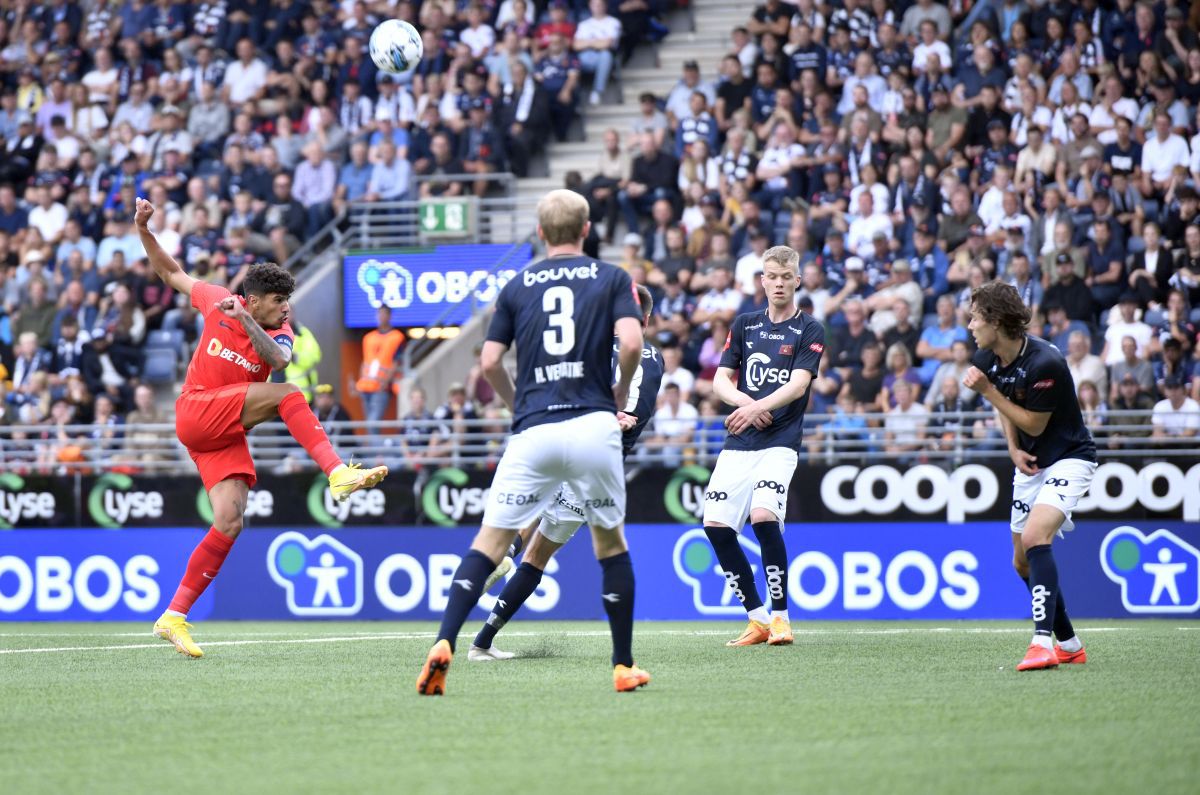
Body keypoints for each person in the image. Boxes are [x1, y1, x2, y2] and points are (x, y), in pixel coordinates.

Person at [416, 190, 646, 696]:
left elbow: (491, 362)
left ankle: (445, 643)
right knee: (611, 545)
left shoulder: (517, 284)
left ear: (540, 233)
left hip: (535, 426)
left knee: (490, 543)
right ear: (587, 230)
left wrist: (516, 405)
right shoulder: (612, 278)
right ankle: (623, 665)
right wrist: (621, 392)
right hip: (591, 423)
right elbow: (631, 343)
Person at [135, 198, 387, 659]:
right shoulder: (214, 299)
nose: (286, 308)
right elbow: (170, 273)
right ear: (253, 298)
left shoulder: (279, 331)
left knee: (230, 520)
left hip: (223, 431)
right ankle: (335, 471)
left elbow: (279, 359)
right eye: (278, 300)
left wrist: (249, 320)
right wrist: (144, 230)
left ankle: (173, 615)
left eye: (287, 300)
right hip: (195, 411)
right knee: (289, 395)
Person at [468, 285, 661, 661]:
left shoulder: (584, 341)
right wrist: (618, 419)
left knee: (527, 518)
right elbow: (635, 411)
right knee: (539, 557)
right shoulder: (648, 355)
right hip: (595, 460)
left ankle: (501, 554)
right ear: (647, 319)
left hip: (551, 440)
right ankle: (482, 642)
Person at [963, 282, 1097, 671]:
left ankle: (1042, 643)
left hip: (1070, 457)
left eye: (975, 317)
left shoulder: (1046, 362)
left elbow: (1034, 425)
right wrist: (1010, 447)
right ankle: (1069, 643)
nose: (970, 325)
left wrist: (988, 392)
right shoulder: (988, 356)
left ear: (996, 321)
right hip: (1032, 462)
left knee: (1038, 537)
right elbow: (1010, 409)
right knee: (1021, 562)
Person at [701, 245, 825, 647]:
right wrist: (747, 405)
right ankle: (757, 619)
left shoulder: (810, 329)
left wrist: (758, 408)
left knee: (762, 516)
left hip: (780, 442)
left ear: (797, 281)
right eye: (771, 276)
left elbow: (799, 384)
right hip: (740, 440)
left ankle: (781, 616)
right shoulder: (745, 324)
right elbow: (721, 380)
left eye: (786, 277)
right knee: (715, 526)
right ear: (762, 280)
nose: (778, 283)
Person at [356, 306, 405, 427]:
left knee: (373, 422)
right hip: (366, 386)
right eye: (379, 314)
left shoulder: (397, 337)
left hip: (381, 387)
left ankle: (375, 446)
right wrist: (361, 380)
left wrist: (385, 382)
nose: (381, 317)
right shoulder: (368, 337)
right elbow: (365, 361)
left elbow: (396, 362)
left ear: (389, 316)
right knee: (369, 423)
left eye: (384, 314)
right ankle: (373, 445)